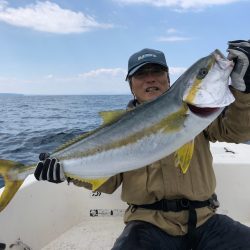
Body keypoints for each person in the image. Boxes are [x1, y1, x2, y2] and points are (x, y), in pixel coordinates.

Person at [34, 40, 250, 250]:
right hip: (148, 224)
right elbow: (109, 182)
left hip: (205, 219)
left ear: (168, 78)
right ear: (130, 84)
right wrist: (68, 174)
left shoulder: (202, 113)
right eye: (141, 74)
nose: (150, 80)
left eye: (156, 72)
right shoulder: (117, 128)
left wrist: (244, 91)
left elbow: (236, 131)